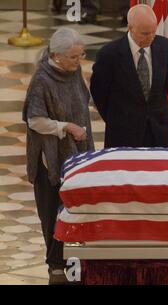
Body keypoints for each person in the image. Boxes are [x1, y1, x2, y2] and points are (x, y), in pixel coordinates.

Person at [22, 28, 94, 285]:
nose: (79, 61)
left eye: (81, 55)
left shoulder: (73, 72)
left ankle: (82, 254)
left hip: (78, 149)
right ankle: (55, 265)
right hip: (49, 156)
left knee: (79, 202)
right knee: (52, 209)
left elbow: (82, 101)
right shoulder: (42, 79)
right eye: (74, 57)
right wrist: (64, 127)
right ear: (57, 56)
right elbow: (35, 120)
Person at [90, 4, 168, 148]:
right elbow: (99, 94)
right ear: (130, 28)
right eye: (145, 33)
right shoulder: (109, 54)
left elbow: (164, 85)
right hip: (123, 133)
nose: (151, 37)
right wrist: (117, 119)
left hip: (158, 131)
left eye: (153, 32)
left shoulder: (166, 48)